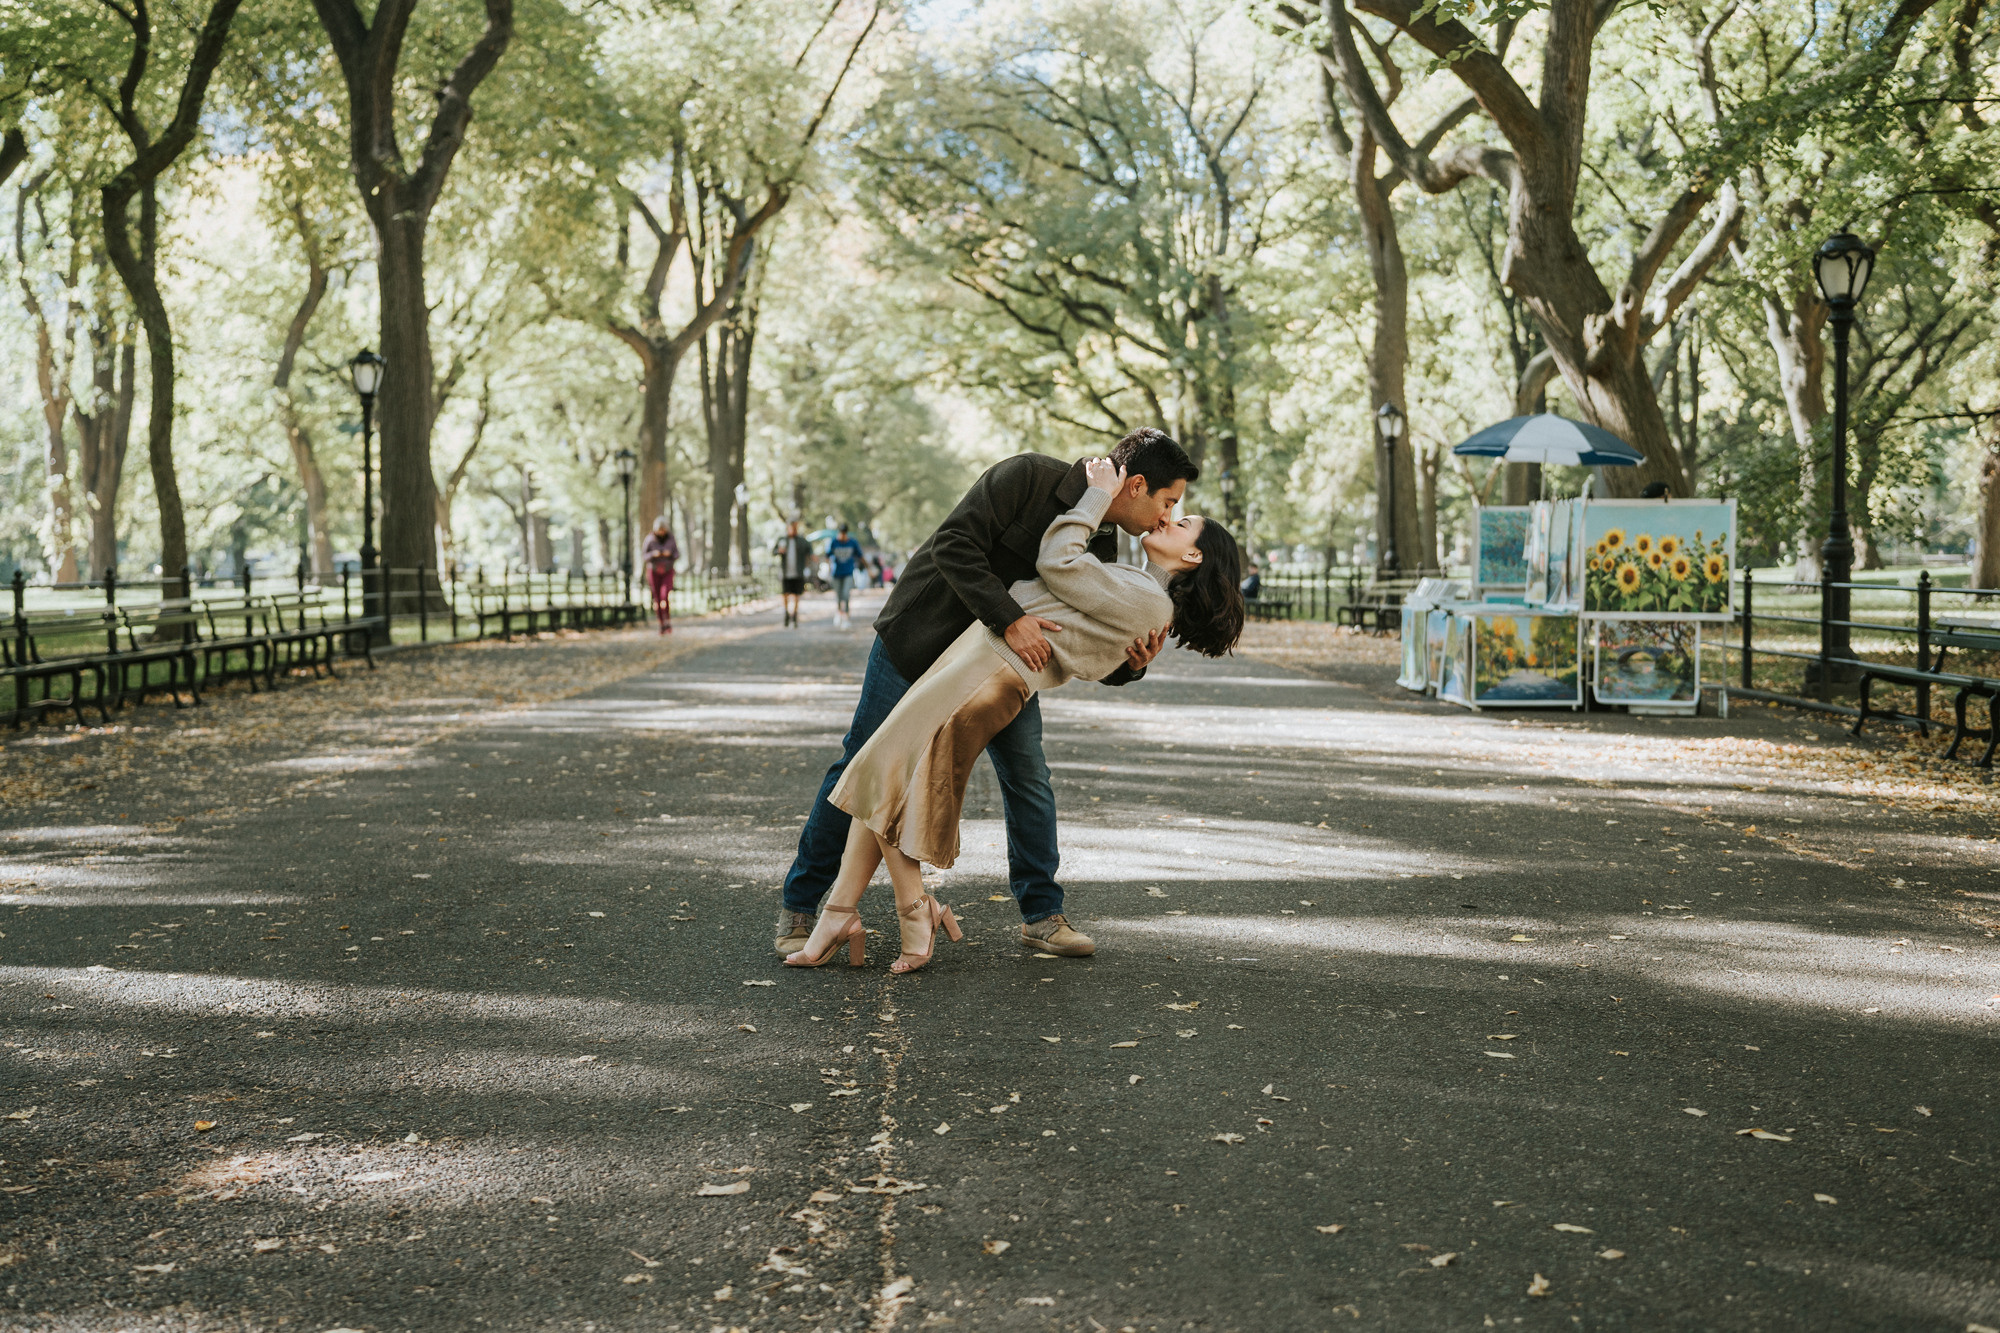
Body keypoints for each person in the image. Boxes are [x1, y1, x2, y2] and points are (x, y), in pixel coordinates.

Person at [785, 456, 1243, 972]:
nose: (1166, 516)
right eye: (1168, 503)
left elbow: (1077, 630)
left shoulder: (1118, 558)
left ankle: (1009, 914)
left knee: (960, 776)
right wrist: (1013, 618)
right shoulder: (1028, 476)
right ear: (1135, 485)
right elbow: (958, 547)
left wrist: (1130, 665)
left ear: (1195, 554)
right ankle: (823, 909)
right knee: (872, 767)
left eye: (1177, 516)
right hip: (932, 636)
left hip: (990, 668)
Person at [641, 519, 678, 634]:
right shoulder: (650, 539)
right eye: (659, 530)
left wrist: (669, 554)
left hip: (667, 570)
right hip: (654, 570)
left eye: (663, 530)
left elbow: (676, 554)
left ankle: (667, 620)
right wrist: (653, 554)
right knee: (657, 598)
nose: (661, 532)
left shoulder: (671, 539)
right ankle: (661, 623)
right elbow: (644, 556)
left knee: (664, 595)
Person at [774, 520, 812, 628]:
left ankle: (794, 615)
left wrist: (811, 556)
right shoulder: (782, 540)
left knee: (796, 595)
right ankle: (786, 613)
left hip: (798, 572)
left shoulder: (801, 541)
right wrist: (779, 551)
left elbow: (809, 549)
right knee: (785, 594)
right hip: (785, 572)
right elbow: (774, 551)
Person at [827, 522, 865, 629]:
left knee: (846, 594)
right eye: (841, 533)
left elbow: (860, 555)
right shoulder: (834, 542)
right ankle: (839, 613)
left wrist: (868, 568)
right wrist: (828, 569)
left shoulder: (852, 542)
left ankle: (846, 617)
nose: (843, 535)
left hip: (848, 573)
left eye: (844, 533)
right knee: (839, 596)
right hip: (836, 574)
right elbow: (827, 556)